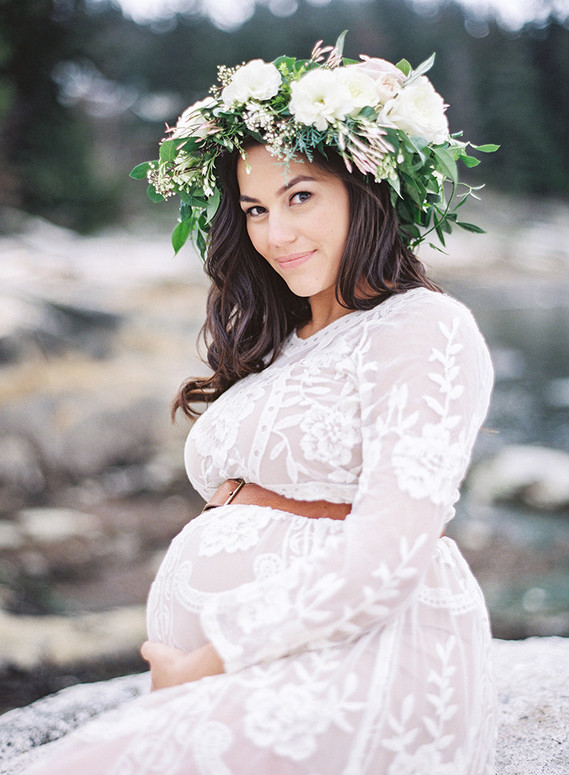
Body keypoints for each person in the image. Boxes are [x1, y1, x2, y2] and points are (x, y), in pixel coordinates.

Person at [23, 38, 498, 774]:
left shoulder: (423, 327)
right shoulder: (280, 346)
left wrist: (214, 657)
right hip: (249, 668)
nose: (275, 234)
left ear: (365, 190)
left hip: (367, 660)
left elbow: (392, 548)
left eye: (300, 195)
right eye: (254, 208)